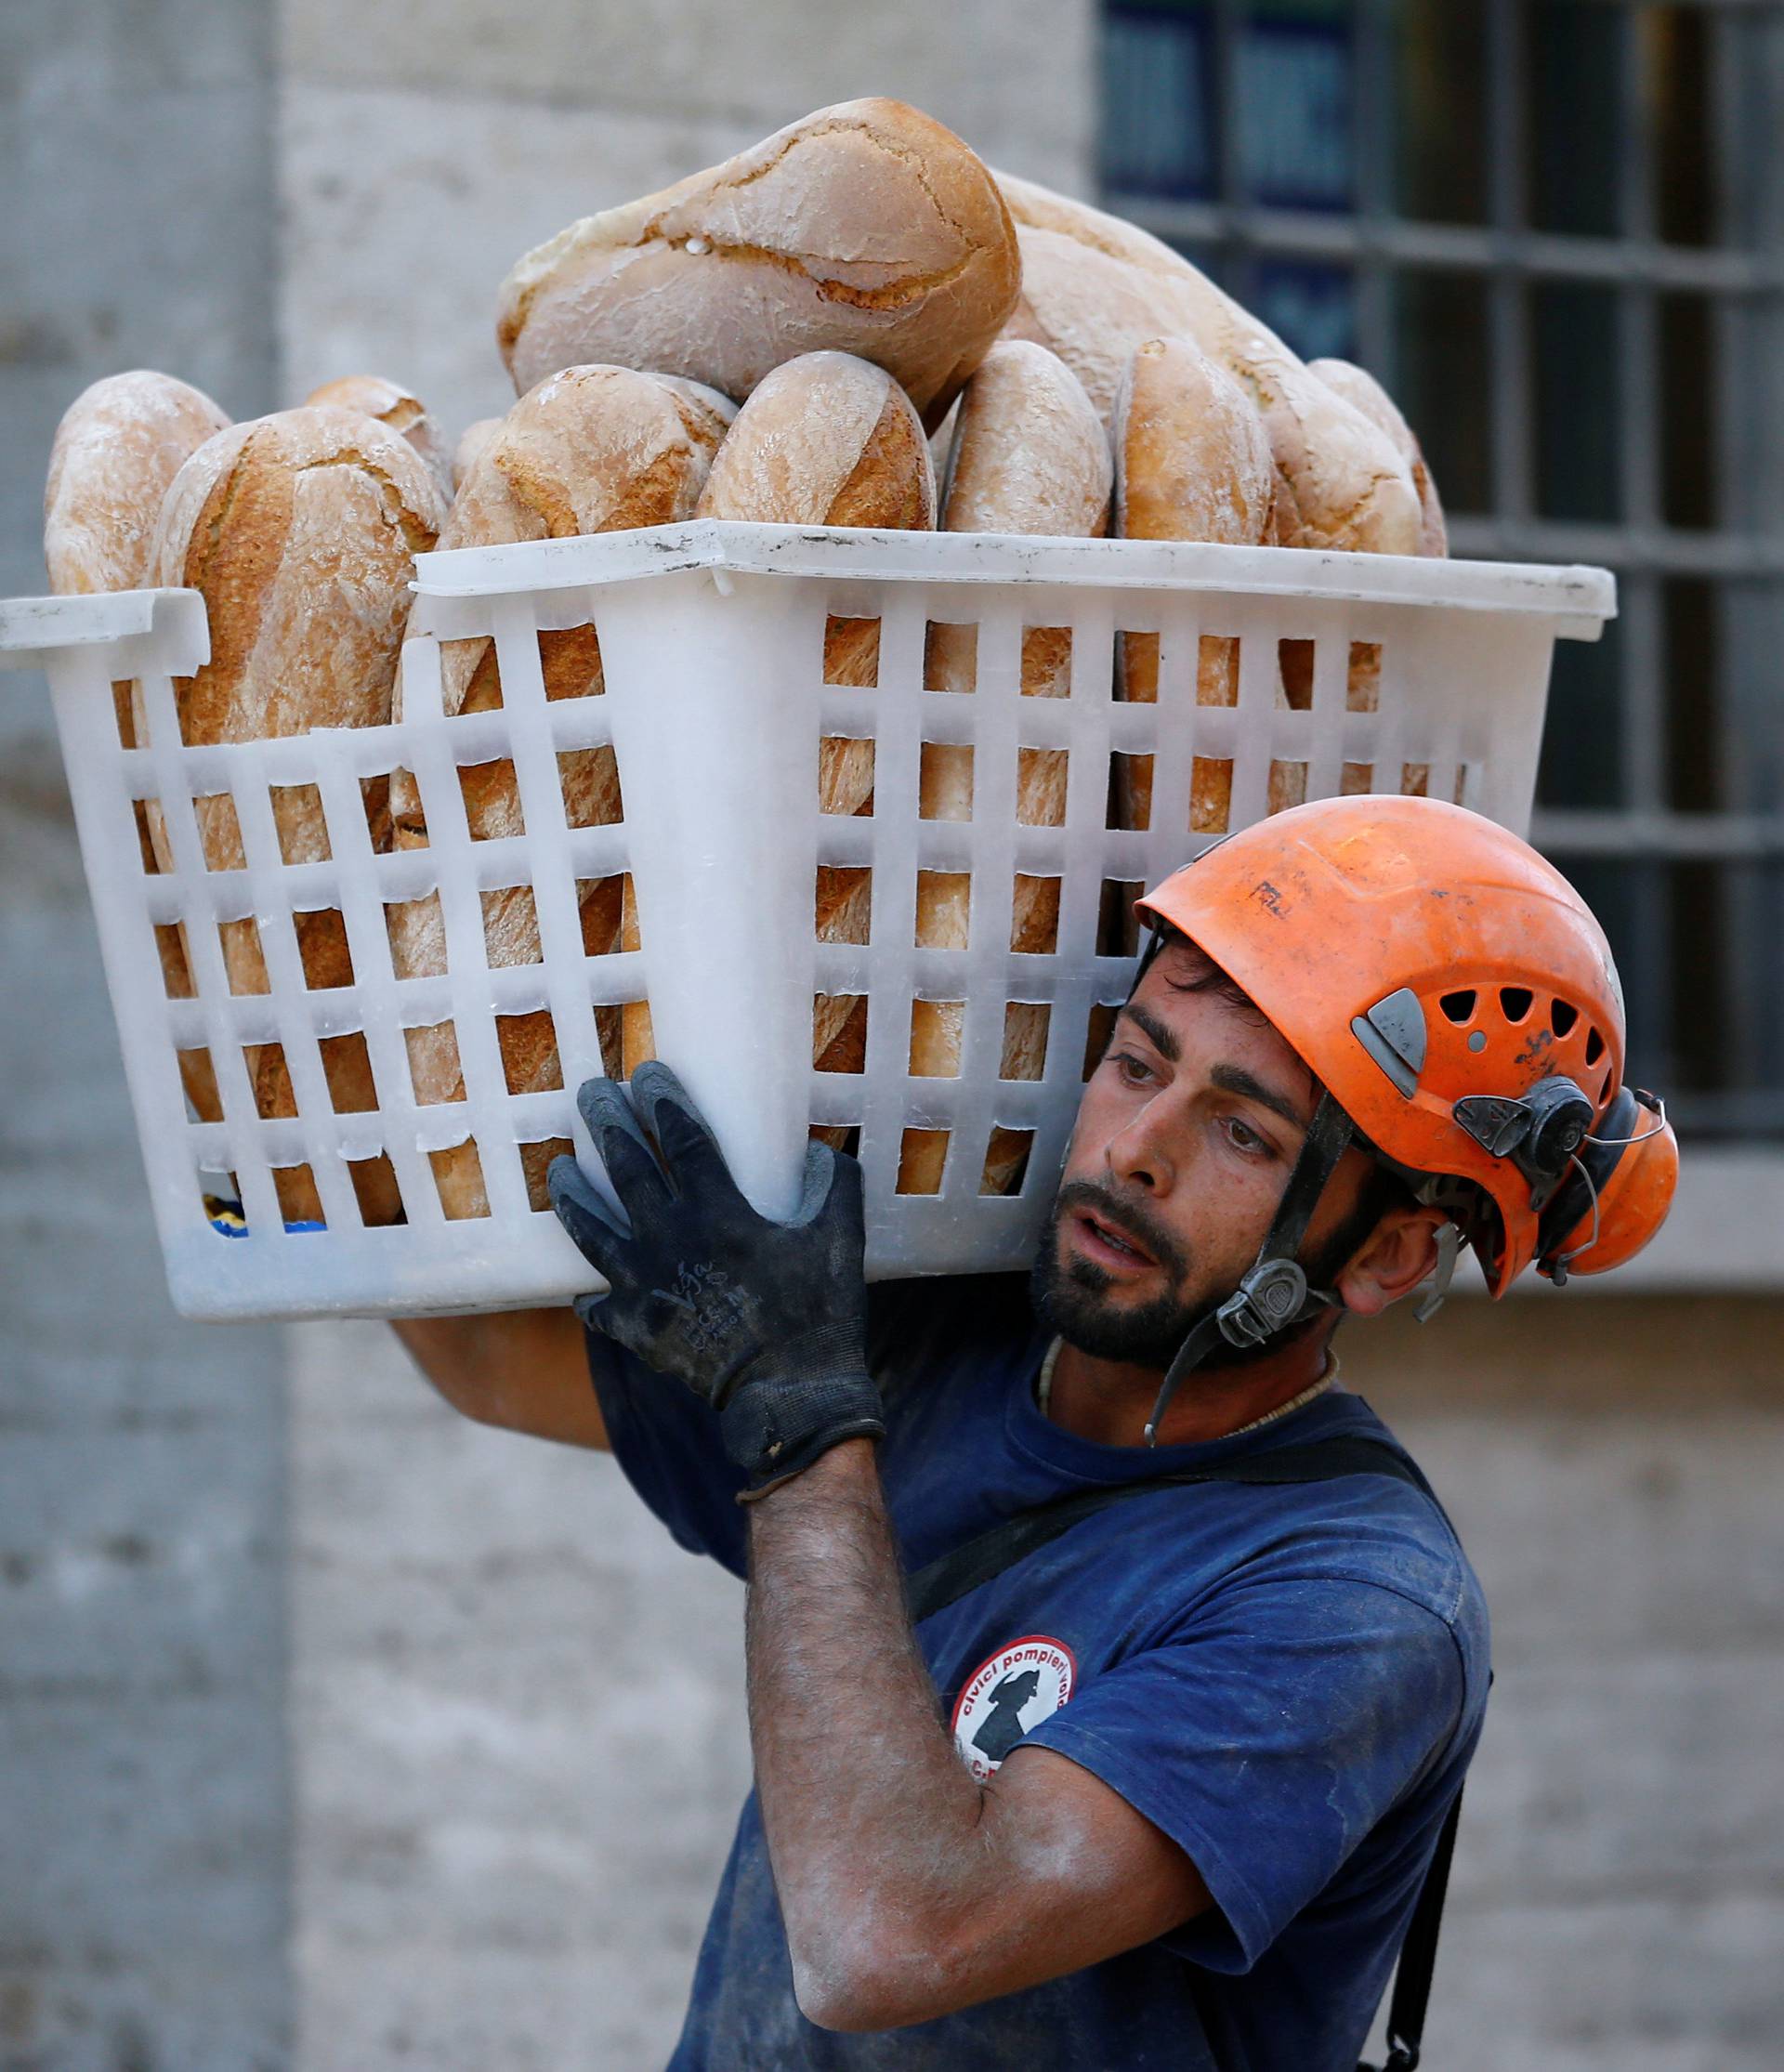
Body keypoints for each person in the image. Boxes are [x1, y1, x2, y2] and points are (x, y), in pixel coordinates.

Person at [394, 796, 1677, 2069]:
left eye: (1241, 1129)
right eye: (1137, 1061)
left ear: (1390, 1254)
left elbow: (887, 1935)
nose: (1133, 1150)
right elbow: (489, 1360)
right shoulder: (954, 1349)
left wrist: (797, 1425)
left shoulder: (1353, 1601)